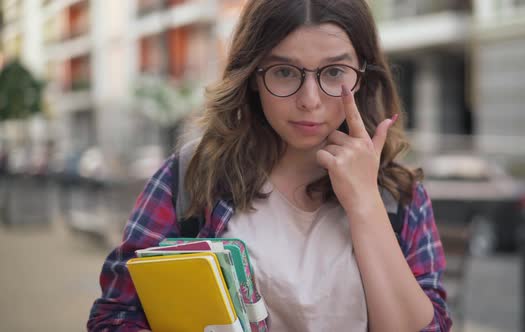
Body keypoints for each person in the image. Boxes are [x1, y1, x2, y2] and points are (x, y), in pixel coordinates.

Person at [87, 0, 451, 331]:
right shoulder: (192, 176)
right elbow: (115, 316)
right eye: (284, 72)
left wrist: (366, 202)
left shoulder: (400, 195)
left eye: (335, 72)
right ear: (253, 77)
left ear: (363, 75)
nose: (310, 101)